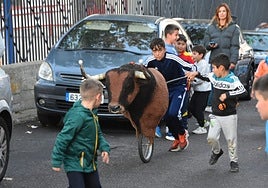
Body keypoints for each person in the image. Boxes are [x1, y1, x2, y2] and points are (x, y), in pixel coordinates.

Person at [186, 53, 247, 172]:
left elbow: (243, 91)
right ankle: (217, 151)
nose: (212, 70)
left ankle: (233, 161)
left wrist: (228, 95)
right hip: (215, 115)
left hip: (229, 115)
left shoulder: (232, 79)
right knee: (211, 137)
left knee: (231, 139)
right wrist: (196, 74)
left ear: (221, 68)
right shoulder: (214, 76)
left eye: (214, 68)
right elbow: (205, 77)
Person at [51, 78, 110, 187]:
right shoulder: (78, 116)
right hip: (74, 162)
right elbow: (63, 138)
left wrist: (104, 148)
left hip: (89, 162)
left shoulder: (92, 114)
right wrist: (56, 160)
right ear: (98, 96)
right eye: (101, 96)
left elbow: (98, 134)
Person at [145, 38, 194, 152]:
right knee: (166, 116)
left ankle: (182, 133)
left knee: (174, 113)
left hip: (178, 88)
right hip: (163, 90)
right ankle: (177, 138)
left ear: (164, 49)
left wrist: (192, 73)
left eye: (160, 50)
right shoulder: (150, 61)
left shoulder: (173, 58)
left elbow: (191, 66)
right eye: (154, 51)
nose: (157, 54)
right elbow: (142, 69)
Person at [203, 3, 240, 112]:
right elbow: (205, 43)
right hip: (215, 60)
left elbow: (235, 46)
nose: (222, 13)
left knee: (229, 84)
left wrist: (233, 61)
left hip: (227, 61)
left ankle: (229, 106)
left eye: (224, 11)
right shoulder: (210, 28)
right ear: (217, 14)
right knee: (215, 84)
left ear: (227, 13)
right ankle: (214, 106)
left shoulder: (234, 28)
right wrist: (210, 45)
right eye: (220, 11)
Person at [155, 24, 180, 139]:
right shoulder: (167, 50)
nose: (177, 37)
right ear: (169, 35)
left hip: (167, 84)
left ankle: (162, 128)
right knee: (170, 109)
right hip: (168, 84)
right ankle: (171, 131)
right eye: (176, 35)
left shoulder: (171, 48)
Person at [188, 45, 211, 134]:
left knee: (198, 109)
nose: (192, 55)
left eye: (194, 53)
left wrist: (191, 81)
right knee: (191, 107)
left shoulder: (204, 64)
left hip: (204, 90)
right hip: (197, 90)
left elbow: (201, 78)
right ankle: (203, 122)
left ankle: (202, 127)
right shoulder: (195, 64)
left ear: (201, 55)